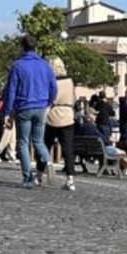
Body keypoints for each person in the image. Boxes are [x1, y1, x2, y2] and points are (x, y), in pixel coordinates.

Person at [2, 35, 57, 188]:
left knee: (23, 143)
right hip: (41, 107)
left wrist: (8, 111)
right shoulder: (45, 65)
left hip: (23, 107)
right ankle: (48, 160)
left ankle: (28, 178)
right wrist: (48, 102)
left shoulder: (18, 65)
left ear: (22, 47)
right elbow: (54, 87)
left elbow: (11, 90)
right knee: (39, 140)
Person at [44, 57, 77, 190]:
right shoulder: (70, 81)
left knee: (46, 145)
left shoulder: (51, 81)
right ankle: (70, 178)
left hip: (53, 114)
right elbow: (73, 98)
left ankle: (39, 174)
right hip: (68, 114)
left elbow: (49, 98)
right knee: (68, 149)